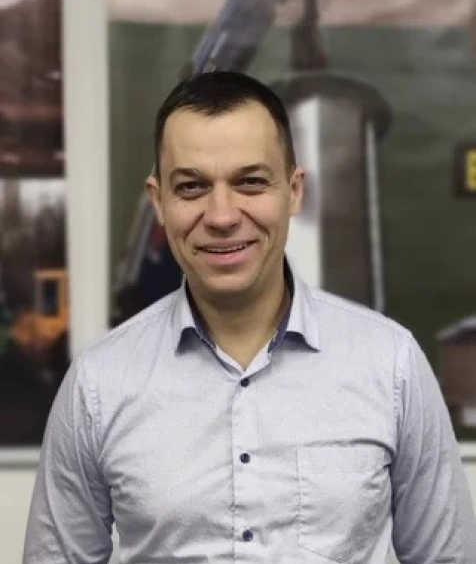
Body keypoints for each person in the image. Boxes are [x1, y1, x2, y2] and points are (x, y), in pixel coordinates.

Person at [23, 71, 476, 564]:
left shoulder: (391, 364)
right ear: (159, 202)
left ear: (294, 191)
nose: (222, 215)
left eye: (251, 182)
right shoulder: (98, 384)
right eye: (191, 186)